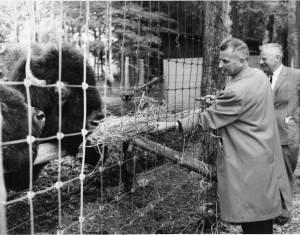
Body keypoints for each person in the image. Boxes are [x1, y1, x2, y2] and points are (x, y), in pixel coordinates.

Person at [156, 38, 292, 234]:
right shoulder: (259, 76)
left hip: (247, 164)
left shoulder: (238, 90)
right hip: (263, 155)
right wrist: (219, 97)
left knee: (254, 220)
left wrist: (172, 124)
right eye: (221, 60)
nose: (220, 65)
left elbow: (207, 119)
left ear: (243, 59)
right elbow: (242, 101)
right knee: (261, 217)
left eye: (225, 61)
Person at [259, 43, 300, 224]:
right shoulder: (259, 77)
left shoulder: (295, 75)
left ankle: (284, 211)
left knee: (285, 173)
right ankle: (270, 207)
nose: (261, 62)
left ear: (277, 58)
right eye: (260, 58)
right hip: (263, 135)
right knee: (267, 172)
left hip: (286, 133)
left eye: (264, 59)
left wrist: (294, 118)